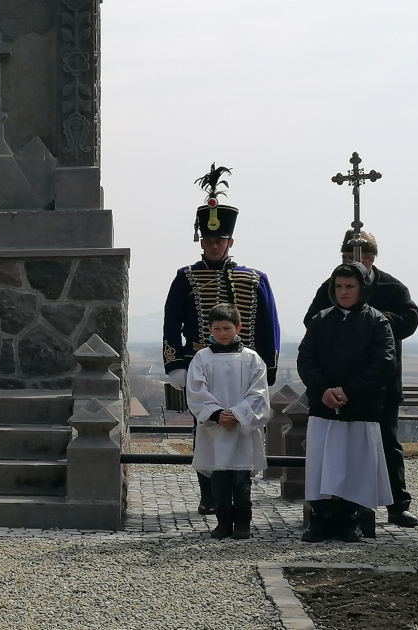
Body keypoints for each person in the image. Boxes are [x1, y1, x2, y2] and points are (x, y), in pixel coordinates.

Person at [162, 165, 280, 516]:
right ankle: (209, 493)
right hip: (203, 366)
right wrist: (176, 364)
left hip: (244, 369)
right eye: (208, 240)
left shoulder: (255, 278)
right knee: (206, 431)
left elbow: (268, 326)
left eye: (220, 240)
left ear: (230, 241)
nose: (213, 245)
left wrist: (267, 373)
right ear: (202, 241)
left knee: (242, 429)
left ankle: (239, 493)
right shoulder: (185, 278)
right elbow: (171, 325)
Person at [303, 231, 418, 528]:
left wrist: (369, 319)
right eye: (344, 258)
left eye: (356, 258)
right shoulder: (333, 287)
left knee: (386, 443)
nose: (350, 264)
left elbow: (409, 320)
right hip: (333, 383)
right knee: (339, 448)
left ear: (370, 259)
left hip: (377, 386)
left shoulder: (392, 287)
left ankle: (396, 505)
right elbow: (313, 321)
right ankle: (335, 509)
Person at [298, 261, 396, 543]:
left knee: (354, 466)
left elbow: (384, 363)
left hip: (359, 408)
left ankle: (348, 520)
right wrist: (323, 389)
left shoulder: (377, 321)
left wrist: (350, 391)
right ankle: (320, 520)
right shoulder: (320, 320)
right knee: (323, 464)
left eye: (350, 286)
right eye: (339, 286)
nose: (343, 292)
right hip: (323, 408)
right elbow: (306, 360)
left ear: (362, 288)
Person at [185, 304, 270, 540]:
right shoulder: (202, 358)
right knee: (219, 481)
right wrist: (216, 414)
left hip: (242, 431)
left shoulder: (251, 359)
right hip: (215, 430)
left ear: (238, 328)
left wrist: (236, 414)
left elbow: (259, 393)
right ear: (209, 329)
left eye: (227, 328)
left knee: (241, 482)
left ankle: (242, 523)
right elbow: (195, 391)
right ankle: (222, 523)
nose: (223, 333)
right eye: (217, 328)